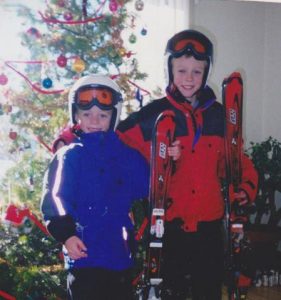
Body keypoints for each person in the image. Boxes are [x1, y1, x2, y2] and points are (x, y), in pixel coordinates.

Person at [116, 29, 258, 300]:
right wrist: (157, 151)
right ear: (169, 69)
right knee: (171, 292)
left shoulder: (220, 116)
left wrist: (246, 187)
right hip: (169, 227)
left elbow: (238, 160)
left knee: (208, 289)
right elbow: (116, 144)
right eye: (181, 71)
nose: (189, 79)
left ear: (206, 72)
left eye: (197, 71)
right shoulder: (152, 115)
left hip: (210, 224)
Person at [41, 74, 152, 300]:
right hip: (84, 256)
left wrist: (165, 158)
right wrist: (67, 235)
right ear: (76, 116)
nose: (94, 121)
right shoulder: (69, 156)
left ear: (114, 117)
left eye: (102, 115)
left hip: (119, 255)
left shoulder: (126, 155)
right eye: (87, 114)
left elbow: (146, 185)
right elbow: (55, 198)